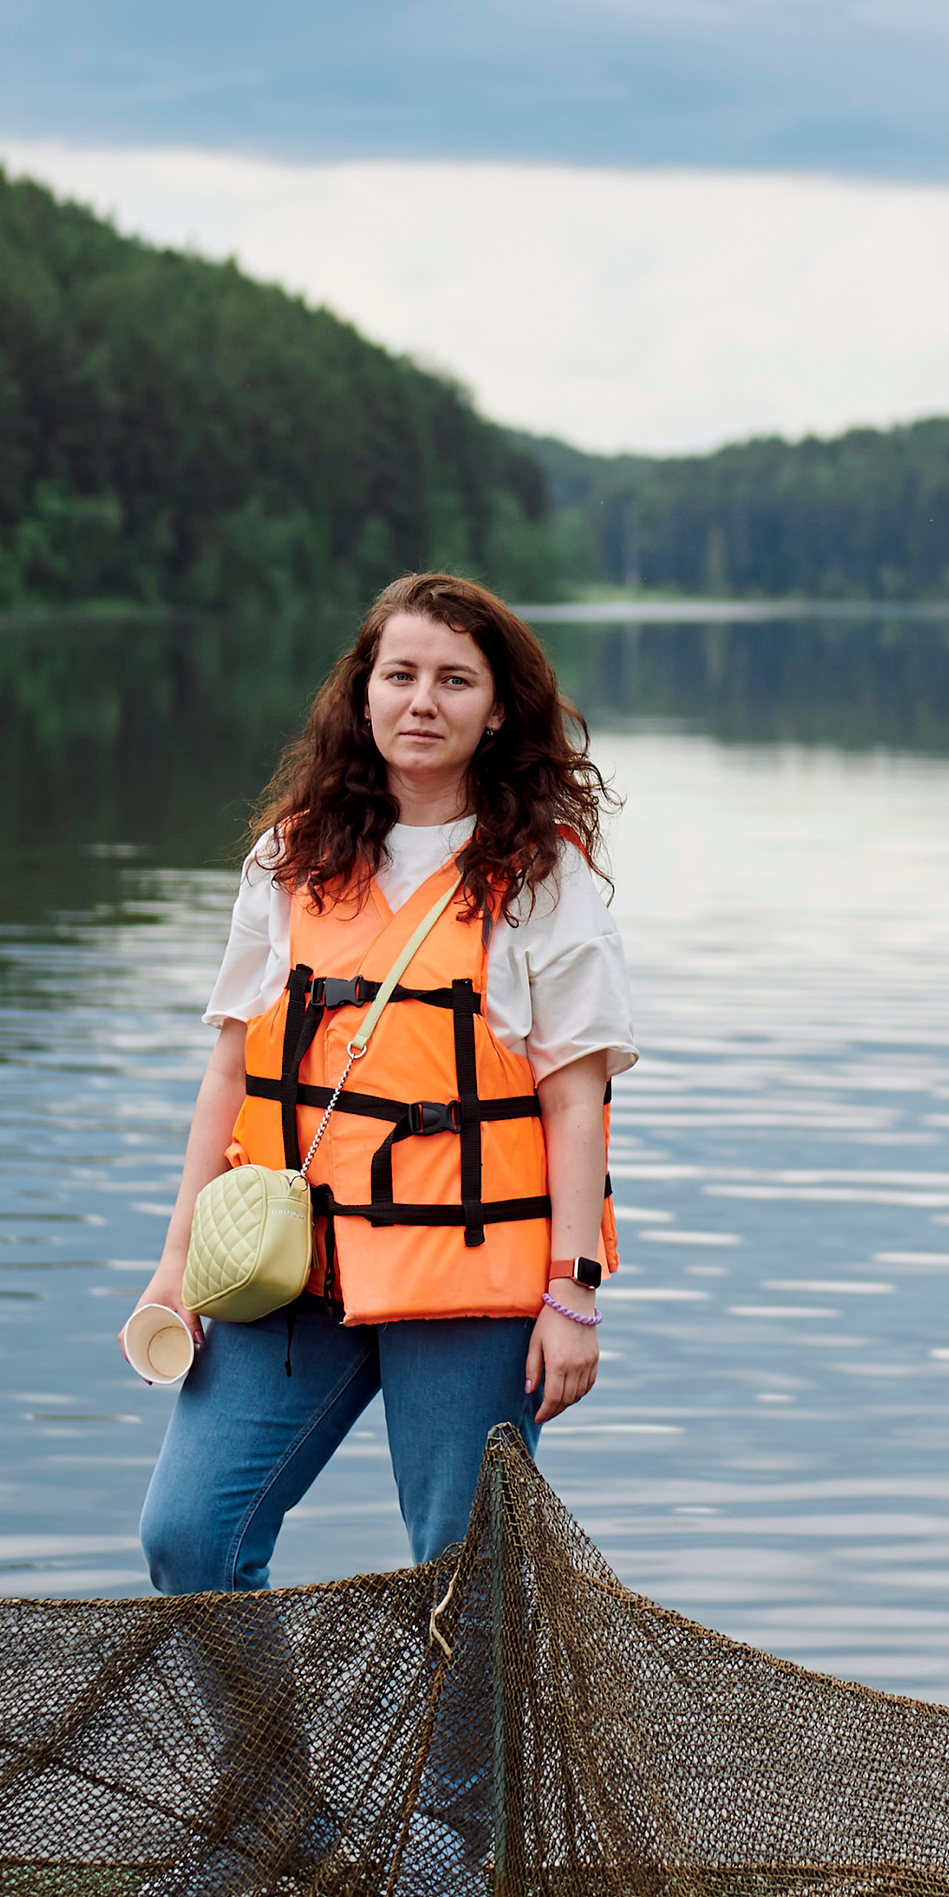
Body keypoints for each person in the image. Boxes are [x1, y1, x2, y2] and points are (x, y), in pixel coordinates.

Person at [133, 571, 633, 1593]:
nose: (422, 701)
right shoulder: (290, 857)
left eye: (455, 680)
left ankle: (469, 1719)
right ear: (363, 694)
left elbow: (575, 1101)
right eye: (400, 674)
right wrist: (176, 1266)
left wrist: (573, 1294)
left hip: (469, 1272)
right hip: (291, 1267)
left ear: (497, 710)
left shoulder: (543, 877)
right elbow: (230, 1069)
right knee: (189, 1537)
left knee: (461, 1580)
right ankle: (265, 1717)